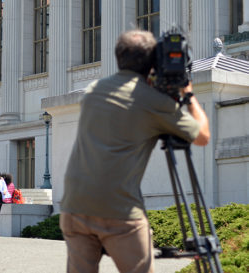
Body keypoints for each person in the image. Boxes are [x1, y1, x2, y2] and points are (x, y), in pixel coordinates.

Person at [60, 30, 210, 273]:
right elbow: (202, 136)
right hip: (119, 211)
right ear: (152, 62)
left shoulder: (93, 91)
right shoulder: (152, 101)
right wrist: (188, 93)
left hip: (74, 206)